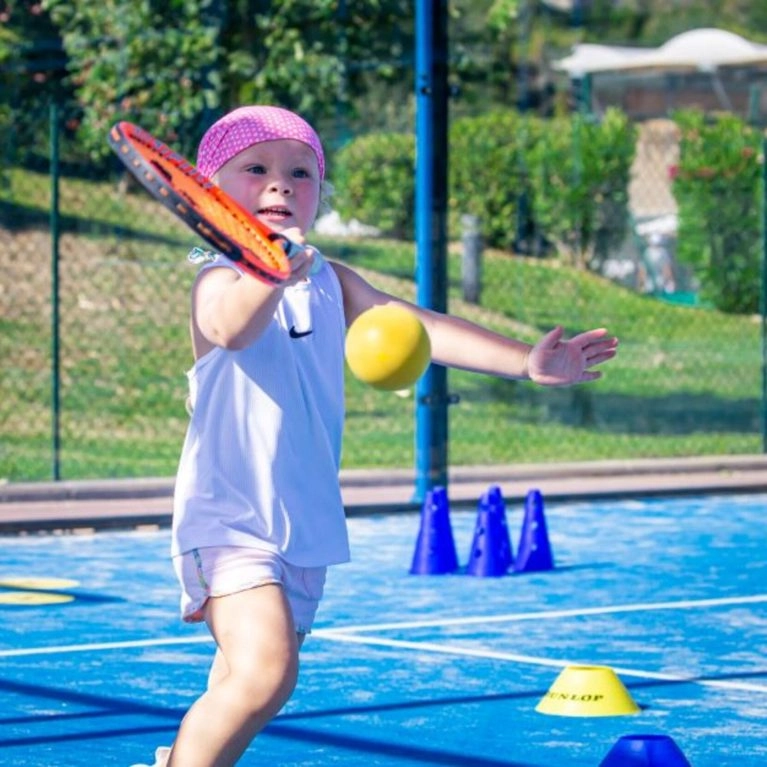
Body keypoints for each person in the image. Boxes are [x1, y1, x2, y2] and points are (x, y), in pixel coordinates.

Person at [131, 105, 618, 767]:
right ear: (210, 195)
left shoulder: (330, 280)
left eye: (299, 172)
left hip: (303, 524)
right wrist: (269, 272)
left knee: (241, 680)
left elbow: (422, 328)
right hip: (230, 518)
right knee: (264, 671)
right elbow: (230, 329)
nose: (280, 185)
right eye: (257, 169)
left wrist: (524, 362)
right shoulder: (218, 278)